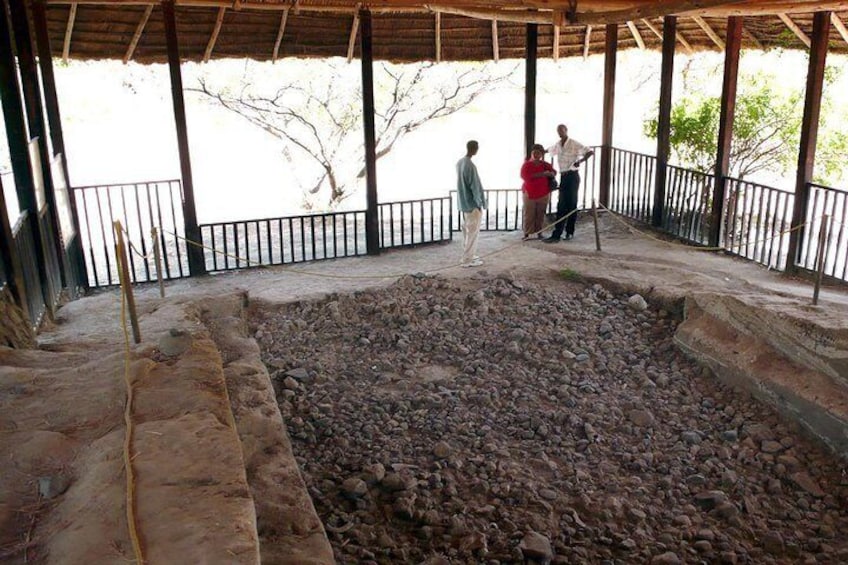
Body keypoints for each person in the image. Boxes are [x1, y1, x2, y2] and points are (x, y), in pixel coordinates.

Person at [545, 124, 594, 242]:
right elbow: (549, 150)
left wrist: (580, 161)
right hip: (563, 176)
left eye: (562, 130)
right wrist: (538, 151)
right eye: (558, 131)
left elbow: (589, 152)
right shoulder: (558, 144)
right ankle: (557, 233)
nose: (560, 133)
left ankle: (569, 232)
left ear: (566, 130)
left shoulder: (573, 143)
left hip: (572, 176)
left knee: (572, 204)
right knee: (561, 204)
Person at [456, 140, 487, 267]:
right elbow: (474, 186)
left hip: (464, 203)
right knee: (473, 232)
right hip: (472, 204)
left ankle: (468, 254)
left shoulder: (460, 162)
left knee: (467, 231)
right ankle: (467, 259)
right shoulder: (470, 165)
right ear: (475, 149)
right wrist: (479, 203)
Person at [520, 144, 555, 240]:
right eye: (534, 153)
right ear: (531, 153)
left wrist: (551, 174)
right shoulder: (526, 164)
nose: (536, 155)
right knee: (529, 213)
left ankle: (539, 232)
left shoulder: (545, 164)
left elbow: (554, 172)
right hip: (529, 193)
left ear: (542, 154)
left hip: (543, 193)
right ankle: (527, 233)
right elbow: (524, 176)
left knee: (541, 214)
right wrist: (542, 174)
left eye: (538, 153)